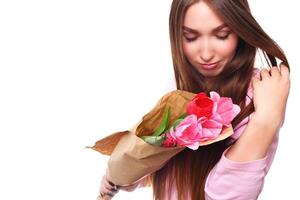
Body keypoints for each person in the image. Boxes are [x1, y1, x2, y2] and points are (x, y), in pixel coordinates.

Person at [98, 0, 290, 199]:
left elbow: (225, 195)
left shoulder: (258, 96)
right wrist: (133, 176)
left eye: (222, 35)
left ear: (241, 31)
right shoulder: (179, 84)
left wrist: (266, 122)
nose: (206, 54)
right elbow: (180, 167)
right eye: (190, 37)